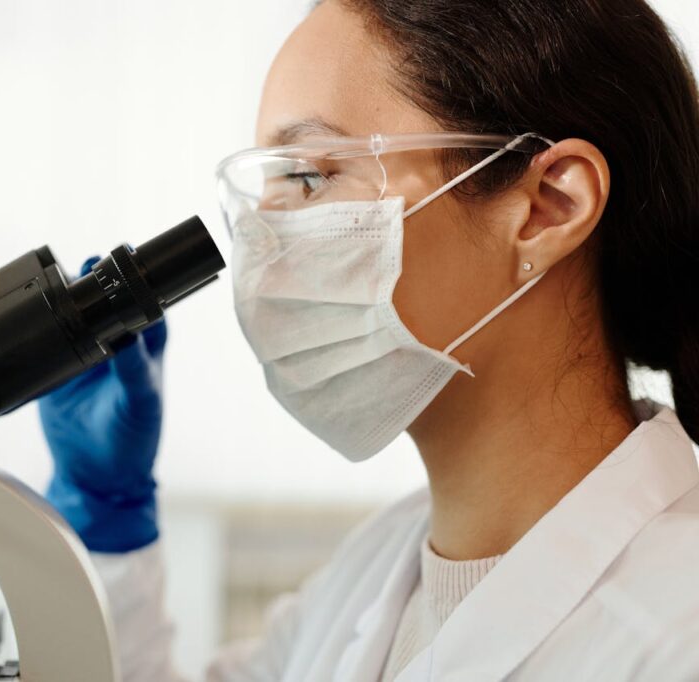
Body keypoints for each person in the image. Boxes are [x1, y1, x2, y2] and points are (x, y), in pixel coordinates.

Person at [38, 0, 699, 679]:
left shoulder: (678, 634)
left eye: (310, 175)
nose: (263, 241)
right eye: (268, 187)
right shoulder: (374, 571)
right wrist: (105, 527)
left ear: (547, 206)